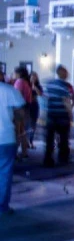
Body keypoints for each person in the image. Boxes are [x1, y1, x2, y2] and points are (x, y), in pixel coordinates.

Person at [0, 79, 25, 216]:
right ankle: (2, 207)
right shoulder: (9, 90)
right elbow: (21, 113)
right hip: (5, 137)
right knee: (4, 173)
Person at [43, 65, 73, 167]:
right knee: (64, 138)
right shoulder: (64, 86)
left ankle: (48, 159)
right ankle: (63, 158)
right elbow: (66, 101)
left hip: (51, 114)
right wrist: (70, 114)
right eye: (66, 72)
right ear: (62, 73)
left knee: (49, 138)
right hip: (62, 115)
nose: (67, 74)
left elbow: (45, 97)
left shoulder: (49, 84)